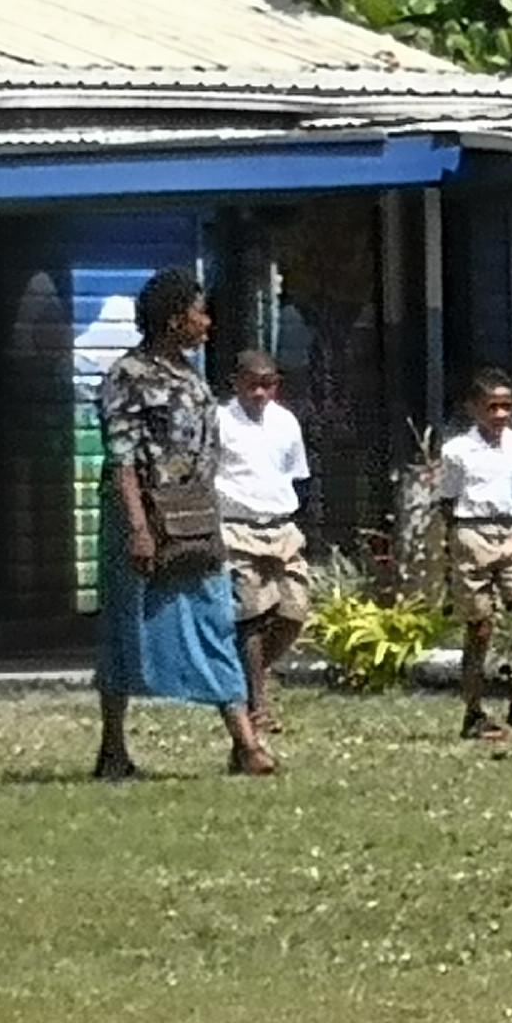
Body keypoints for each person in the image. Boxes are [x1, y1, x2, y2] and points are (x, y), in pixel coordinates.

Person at [92, 268, 268, 780]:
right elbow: (122, 456)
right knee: (128, 629)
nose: (207, 322)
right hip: (145, 518)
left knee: (213, 618)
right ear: (174, 319)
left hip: (195, 516)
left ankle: (246, 743)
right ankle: (112, 750)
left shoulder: (190, 376)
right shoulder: (128, 376)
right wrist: (137, 529)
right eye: (199, 311)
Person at [436, 370, 512, 744]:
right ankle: (473, 711)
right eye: (492, 407)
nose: (500, 415)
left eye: (507, 406)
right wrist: (454, 543)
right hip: (473, 530)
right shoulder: (457, 451)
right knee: (481, 625)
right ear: (474, 409)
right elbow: (448, 499)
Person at [211, 346, 315, 738]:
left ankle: (247, 674)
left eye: (268, 385)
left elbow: (296, 475)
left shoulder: (286, 422)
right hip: (237, 528)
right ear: (235, 384)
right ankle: (257, 707)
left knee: (293, 613)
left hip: (281, 527)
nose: (259, 393)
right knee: (250, 618)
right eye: (252, 385)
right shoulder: (220, 421)